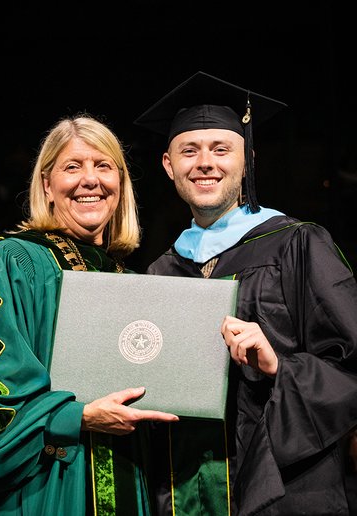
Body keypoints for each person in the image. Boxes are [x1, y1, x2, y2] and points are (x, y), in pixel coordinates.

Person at [136, 71, 357, 515]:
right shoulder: (161, 270)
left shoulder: (299, 244)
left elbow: (349, 368)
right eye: (189, 151)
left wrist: (280, 365)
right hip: (185, 492)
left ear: (247, 160)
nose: (205, 163)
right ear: (168, 165)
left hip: (288, 489)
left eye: (221, 149)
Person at [0, 115, 180, 515]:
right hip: (46, 482)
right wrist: (75, 416)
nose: (91, 180)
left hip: (126, 474)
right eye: (73, 166)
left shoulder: (132, 279)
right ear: (47, 185)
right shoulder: (12, 261)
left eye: (104, 166)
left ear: (120, 185)